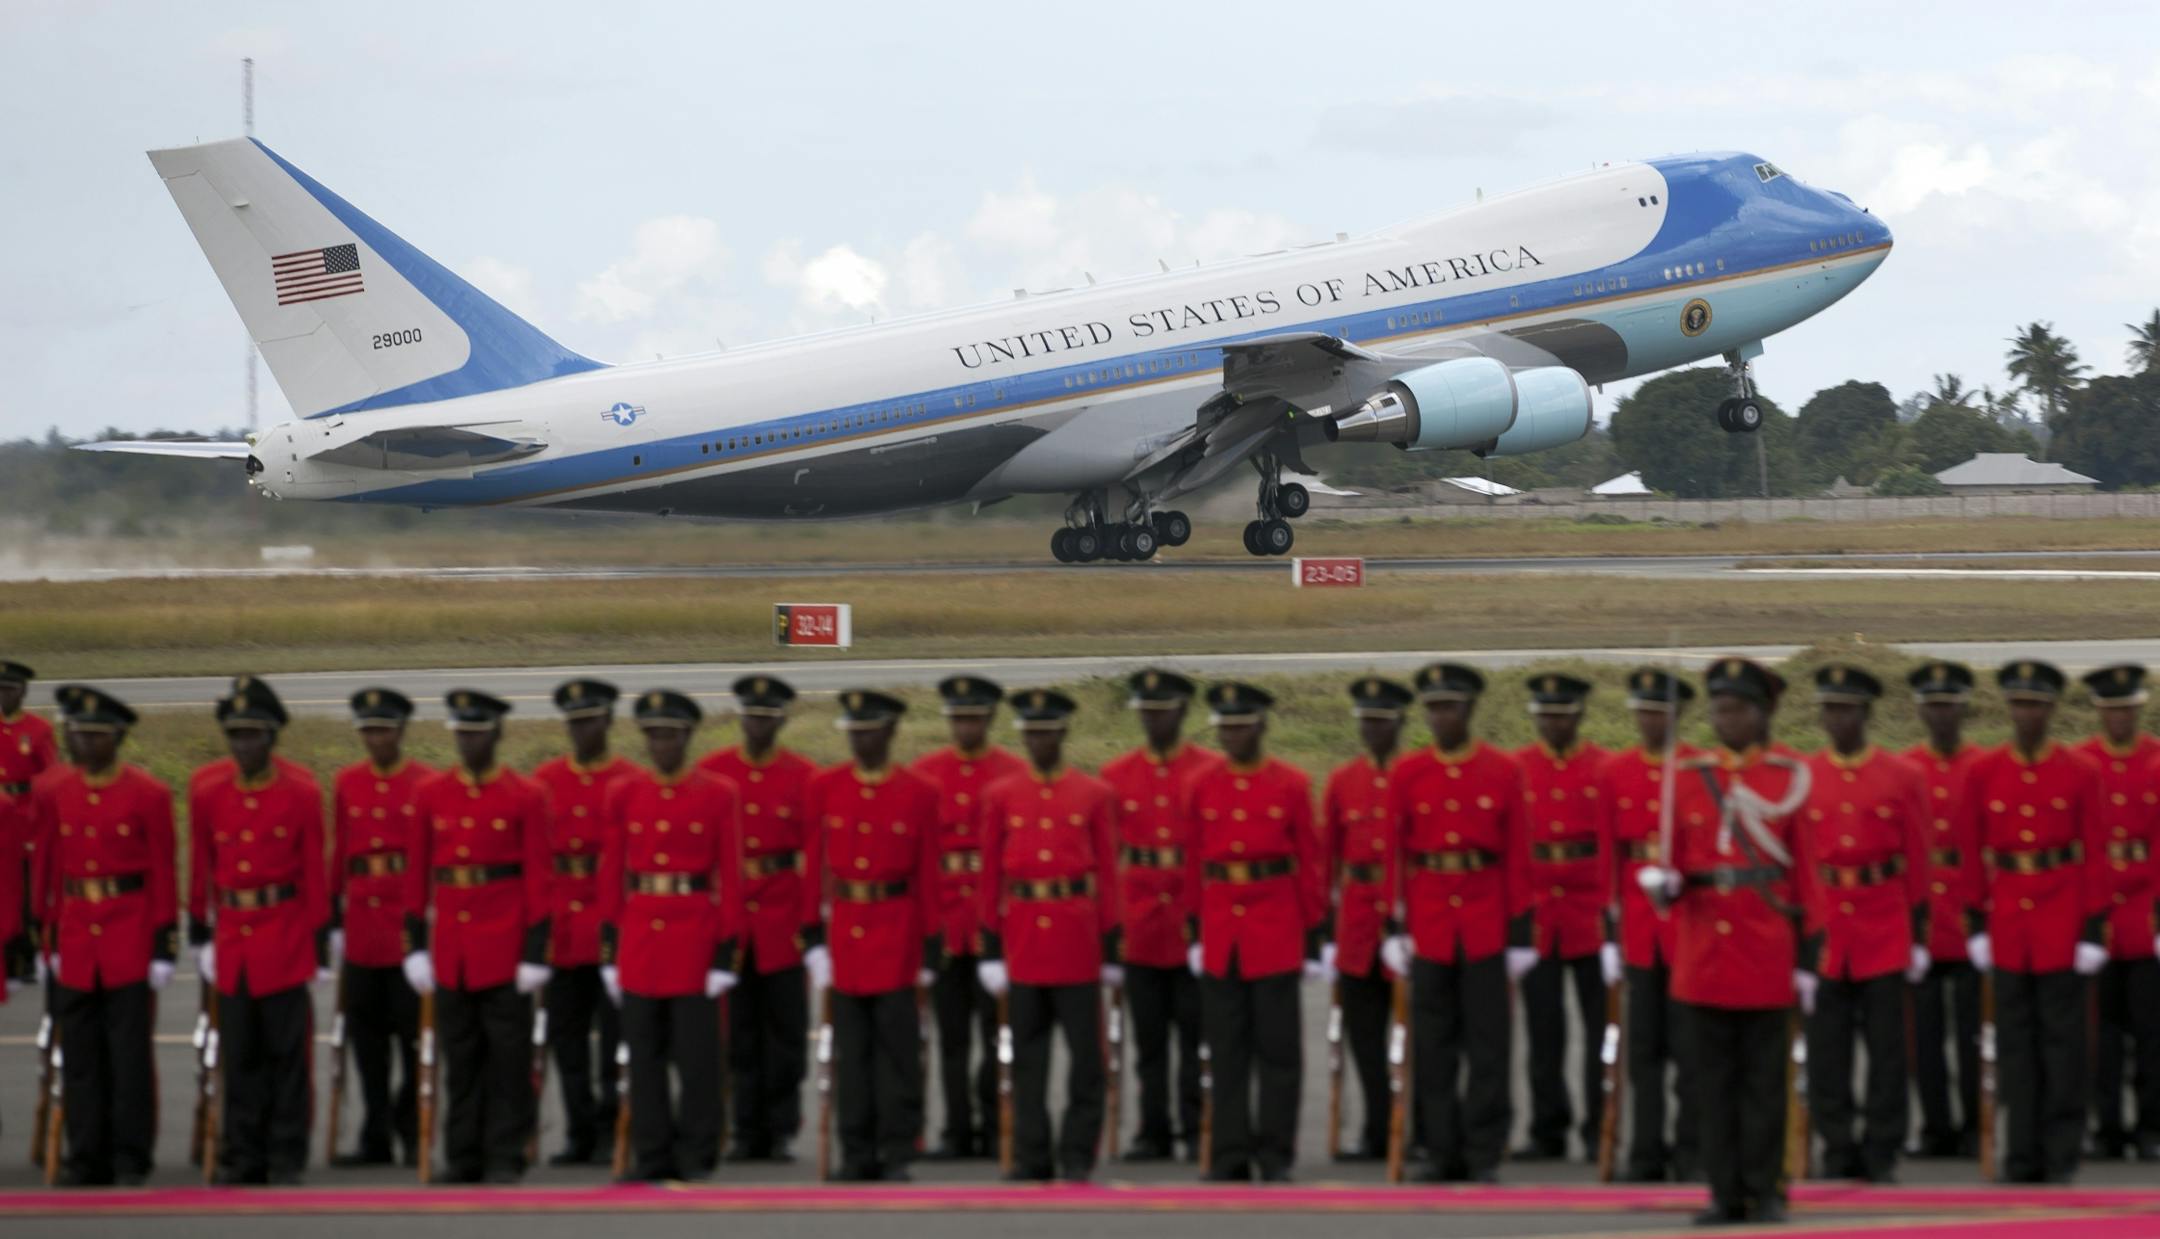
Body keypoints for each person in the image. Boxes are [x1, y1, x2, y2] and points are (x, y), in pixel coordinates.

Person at [1643, 657, 1812, 1226]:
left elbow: (1806, 876)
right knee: (1709, 1086)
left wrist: (1809, 956)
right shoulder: (1688, 777)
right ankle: (1722, 1189)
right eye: (1719, 709)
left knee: (1765, 1084)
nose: (1726, 719)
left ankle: (1765, 1189)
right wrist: (1664, 884)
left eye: (1738, 709)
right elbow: (1672, 862)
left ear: (1763, 716)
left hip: (1764, 949)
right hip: (1703, 952)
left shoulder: (1789, 777)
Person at [1379, 663, 1533, 1184]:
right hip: (1430, 920)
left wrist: (1519, 933)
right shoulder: (1409, 772)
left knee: (1488, 1044)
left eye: (1451, 707)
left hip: (1486, 916)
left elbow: (1517, 854)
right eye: (1434, 708)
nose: (1441, 716)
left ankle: (1484, 1149)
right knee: (1434, 1045)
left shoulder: (1501, 769)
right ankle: (1440, 1148)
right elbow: (1395, 853)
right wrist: (1393, 927)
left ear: (1469, 710)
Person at [1961, 660, 2106, 1184]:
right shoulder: (1985, 771)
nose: (2027, 714)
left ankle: (2060, 1151)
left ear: (2051, 710)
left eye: (2037, 706)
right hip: (2007, 924)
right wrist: (1975, 923)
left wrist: (2092, 929)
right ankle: (2020, 1153)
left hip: (2061, 920)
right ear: (2008, 709)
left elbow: (2094, 852)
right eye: (2019, 704)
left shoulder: (2080, 772)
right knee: (2015, 1048)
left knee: (2062, 1047)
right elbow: (1970, 849)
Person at [401, 690, 554, 1184]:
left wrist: (535, 951)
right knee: (460, 1058)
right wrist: (416, 945)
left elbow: (538, 879)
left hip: (504, 946)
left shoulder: (524, 795)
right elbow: (416, 876)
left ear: (497, 734)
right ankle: (464, 1152)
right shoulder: (431, 793)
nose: (469, 742)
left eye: (479, 732)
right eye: (462, 733)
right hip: (452, 948)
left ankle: (507, 1150)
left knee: (508, 1058)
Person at [27, 686, 176, 1187]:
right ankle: (84, 1153)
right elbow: (48, 866)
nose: (81, 744)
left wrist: (163, 942)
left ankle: (131, 1152)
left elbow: (162, 872)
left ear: (116, 738)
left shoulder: (147, 793)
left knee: (129, 1054)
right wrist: (45, 933)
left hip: (127, 934)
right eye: (75, 734)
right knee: (81, 1055)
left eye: (92, 736)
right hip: (74, 936)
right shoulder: (54, 790)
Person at [187, 676, 330, 1185]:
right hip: (233, 936)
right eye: (236, 736)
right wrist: (199, 930)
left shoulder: (300, 791)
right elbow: (201, 863)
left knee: (287, 1054)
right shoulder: (208, 789)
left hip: (284, 935)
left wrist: (320, 939)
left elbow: (313, 869)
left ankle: (286, 1151)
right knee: (240, 1053)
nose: (244, 746)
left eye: (253, 735)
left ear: (272, 737)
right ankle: (242, 1151)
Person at [975, 688, 1120, 1182]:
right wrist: (991, 947)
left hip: (1076, 938)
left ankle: (1078, 1153)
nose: (1038, 741)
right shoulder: (1002, 796)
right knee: (1026, 1059)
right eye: (1030, 733)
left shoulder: (1093, 794)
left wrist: (1111, 944)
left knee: (1086, 1059)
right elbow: (989, 876)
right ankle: (1031, 1154)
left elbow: (1109, 874)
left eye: (1047, 732)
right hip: (1023, 940)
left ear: (1063, 733)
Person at [598, 689, 742, 1181]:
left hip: (693, 936)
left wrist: (726, 955)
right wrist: (610, 951)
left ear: (688, 737)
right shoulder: (625, 793)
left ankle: (697, 1151)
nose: (662, 745)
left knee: (697, 1058)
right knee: (644, 1058)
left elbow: (732, 878)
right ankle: (652, 1152)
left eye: (671, 735)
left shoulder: (718, 793)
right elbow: (611, 873)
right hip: (640, 937)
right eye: (654, 735)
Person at [1185, 681, 1325, 1183]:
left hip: (1275, 928)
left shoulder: (1289, 783)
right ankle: (1228, 1154)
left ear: (1262, 726)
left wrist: (1313, 938)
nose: (1233, 736)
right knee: (1226, 1052)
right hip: (1223, 931)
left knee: (1278, 1052)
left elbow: (1310, 863)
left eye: (1242, 727)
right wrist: (1195, 932)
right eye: (1225, 727)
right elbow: (1192, 862)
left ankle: (1275, 1153)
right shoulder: (1203, 784)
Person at [1796, 665, 1930, 1184]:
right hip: (1828, 929)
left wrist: (1917, 931)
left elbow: (1918, 858)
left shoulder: (1901, 776)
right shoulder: (1804, 778)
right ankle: (1838, 1144)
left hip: (1883, 925)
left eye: (1847, 709)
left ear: (1866, 714)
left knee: (1887, 1052)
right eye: (1830, 709)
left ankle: (1882, 1147)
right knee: (1827, 1051)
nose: (1838, 719)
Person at [806, 689, 941, 1182]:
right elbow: (813, 870)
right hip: (846, 930)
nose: (861, 739)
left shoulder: (918, 791)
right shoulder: (827, 787)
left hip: (898, 930)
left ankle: (898, 1147)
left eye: (870, 730)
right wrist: (813, 940)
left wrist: (931, 946)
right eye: (854, 730)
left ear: (890, 732)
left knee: (898, 1053)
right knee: (852, 1054)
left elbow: (929, 874)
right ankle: (856, 1149)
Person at [699, 674, 820, 1162]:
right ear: (739, 716)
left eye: (769, 718)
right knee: (738, 1033)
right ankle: (746, 1129)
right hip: (732, 922)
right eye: (752, 716)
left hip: (782, 919)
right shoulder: (714, 771)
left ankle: (782, 1127)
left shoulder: (804, 776)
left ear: (782, 721)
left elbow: (813, 857)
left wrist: (813, 929)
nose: (759, 725)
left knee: (787, 1035)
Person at [1099, 668, 1218, 1162]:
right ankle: (1153, 1129)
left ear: (1183, 712)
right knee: (1148, 1040)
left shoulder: (1207, 770)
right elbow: (1108, 859)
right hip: (1142, 921)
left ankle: (1195, 1127)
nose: (1153, 720)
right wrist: (1112, 931)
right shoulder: (1116, 775)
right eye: (1146, 712)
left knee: (1194, 1037)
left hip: (1189, 920)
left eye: (1162, 711)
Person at [910, 676, 1027, 1160]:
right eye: (957, 718)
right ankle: (957, 1131)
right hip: (944, 921)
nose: (965, 727)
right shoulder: (927, 773)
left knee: (996, 1033)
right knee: (950, 1037)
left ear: (990, 720)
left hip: (991, 919)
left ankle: (994, 1119)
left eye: (974, 718)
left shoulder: (1011, 773)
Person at [1594, 667, 1699, 1182]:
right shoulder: (1617, 771)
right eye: (1644, 711)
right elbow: (1608, 858)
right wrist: (1609, 932)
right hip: (1637, 926)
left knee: (1691, 1047)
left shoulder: (1698, 770)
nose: (1651, 721)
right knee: (1644, 1051)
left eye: (1660, 712)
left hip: (1685, 924)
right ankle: (1646, 1149)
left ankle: (1691, 1150)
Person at [529, 679, 632, 1165]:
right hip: (565, 932)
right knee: (566, 1042)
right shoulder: (546, 780)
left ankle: (614, 1125)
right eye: (573, 722)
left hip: (614, 928)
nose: (581, 730)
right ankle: (579, 1130)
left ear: (609, 721)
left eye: (589, 721)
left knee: (616, 1040)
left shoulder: (629, 780)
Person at [329, 688, 433, 1167]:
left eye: (384, 730)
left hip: (403, 930)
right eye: (368, 731)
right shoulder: (348, 783)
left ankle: (410, 1128)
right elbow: (341, 856)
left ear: (401, 732)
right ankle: (375, 1135)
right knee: (366, 1043)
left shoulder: (424, 783)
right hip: (363, 932)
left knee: (415, 1040)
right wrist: (332, 919)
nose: (376, 739)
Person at [1514, 673, 1609, 1162]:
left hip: (1589, 911)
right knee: (1543, 1030)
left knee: (1601, 1032)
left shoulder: (1602, 768)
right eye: (1544, 715)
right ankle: (1547, 1128)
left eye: (1562, 714)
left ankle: (1599, 1127)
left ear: (1579, 716)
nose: (1553, 723)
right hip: (1538, 911)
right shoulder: (1519, 768)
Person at [1320, 677, 1414, 1162]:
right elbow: (1327, 861)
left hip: (1407, 921)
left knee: (1415, 1040)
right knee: (1364, 1038)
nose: (1372, 730)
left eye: (1381, 721)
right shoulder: (1342, 780)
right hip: (1356, 923)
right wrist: (1325, 933)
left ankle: (1414, 1132)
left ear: (1400, 724)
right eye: (1365, 721)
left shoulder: (1414, 775)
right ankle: (1377, 1130)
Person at [1898, 661, 1986, 1159]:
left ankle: (1978, 1123)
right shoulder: (1907, 766)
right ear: (1920, 711)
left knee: (1976, 1033)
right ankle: (1935, 1127)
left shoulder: (1984, 764)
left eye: (1949, 705)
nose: (1941, 715)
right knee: (1923, 1038)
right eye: (1932, 706)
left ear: (1964, 708)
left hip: (1969, 914)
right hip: (1925, 916)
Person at [2073, 665, 2160, 1161]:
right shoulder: (2083, 763)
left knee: (2152, 1034)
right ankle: (2106, 1128)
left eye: (2127, 710)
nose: (2120, 719)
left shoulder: (2156, 761)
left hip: (2146, 914)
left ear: (2138, 710)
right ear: (2100, 714)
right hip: (2099, 916)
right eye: (2111, 712)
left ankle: (2151, 1127)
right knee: (2100, 1036)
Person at [1, 661, 58, 996]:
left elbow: (51, 781)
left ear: (22, 692)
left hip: (25, 818)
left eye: (9, 689)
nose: (3, 696)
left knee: (25, 890)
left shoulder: (38, 730)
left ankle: (26, 955)